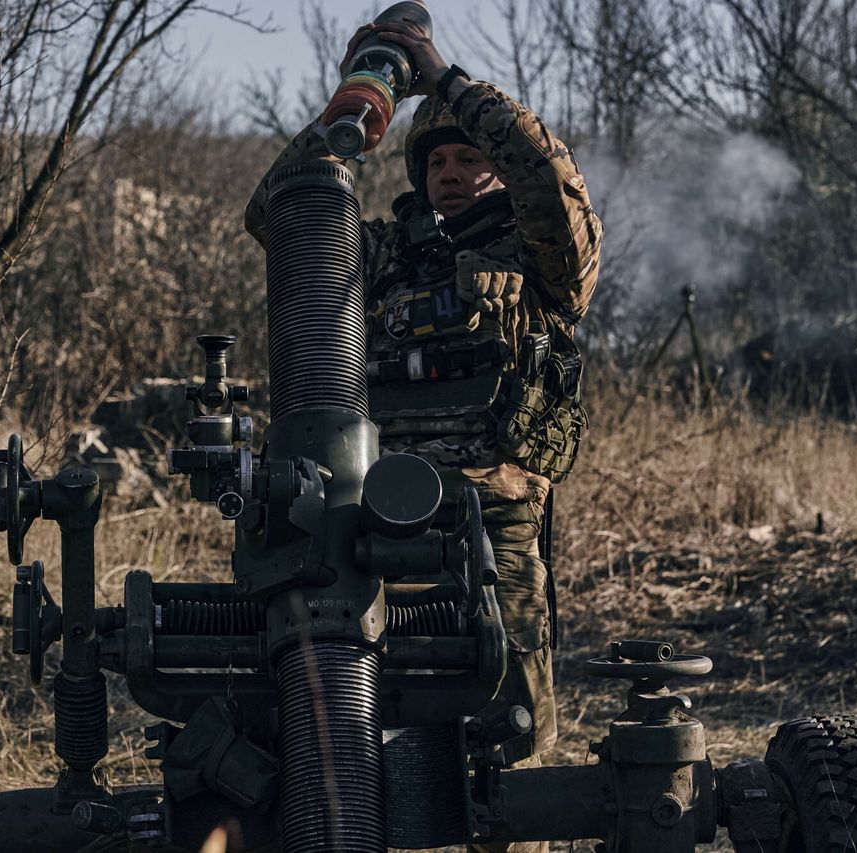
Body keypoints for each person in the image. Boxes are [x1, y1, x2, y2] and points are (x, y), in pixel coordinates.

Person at [245, 19, 602, 853]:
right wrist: (350, 116)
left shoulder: (540, 259)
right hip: (372, 529)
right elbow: (278, 217)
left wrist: (443, 81)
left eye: (467, 159)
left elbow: (551, 181)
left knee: (506, 748)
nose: (450, 173)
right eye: (435, 162)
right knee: (353, 731)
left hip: (492, 528)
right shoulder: (382, 258)